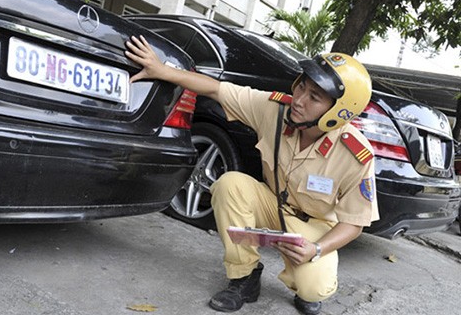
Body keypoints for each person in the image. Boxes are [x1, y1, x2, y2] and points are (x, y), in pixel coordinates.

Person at [125, 35, 379, 315]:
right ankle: (244, 277)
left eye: (314, 97)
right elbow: (218, 90)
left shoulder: (355, 154)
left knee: (313, 288)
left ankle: (304, 279)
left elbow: (354, 223)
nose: (299, 100)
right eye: (302, 87)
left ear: (337, 112)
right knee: (230, 185)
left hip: (313, 227)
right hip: (272, 205)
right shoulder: (275, 109)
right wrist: (163, 71)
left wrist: (316, 249)